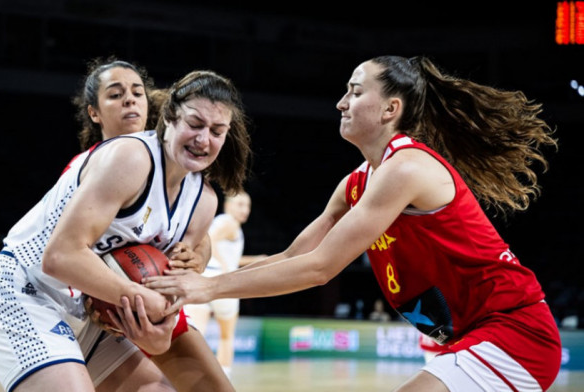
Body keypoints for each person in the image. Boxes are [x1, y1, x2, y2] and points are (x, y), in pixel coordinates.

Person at [146, 55, 562, 391]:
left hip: (514, 333)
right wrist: (195, 274)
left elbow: (320, 268)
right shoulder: (356, 184)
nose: (341, 102)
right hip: (459, 337)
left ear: (390, 109)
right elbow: (293, 256)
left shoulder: (407, 168)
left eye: (355, 91)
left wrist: (207, 287)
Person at [0, 68, 251, 392]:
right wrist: (138, 298)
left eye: (217, 130)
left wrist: (161, 320)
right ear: (170, 118)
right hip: (29, 291)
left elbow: (172, 276)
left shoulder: (202, 201)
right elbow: (60, 256)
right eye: (195, 124)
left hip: (95, 313)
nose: (204, 139)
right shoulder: (128, 157)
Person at [70, 57, 237, 391]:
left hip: (144, 296)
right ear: (94, 112)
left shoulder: (182, 174)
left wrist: (197, 254)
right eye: (115, 95)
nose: (130, 100)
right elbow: (62, 250)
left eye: (137, 92)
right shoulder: (91, 166)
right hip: (87, 300)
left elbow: (191, 231)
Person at [184, 191, 265, 378]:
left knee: (196, 336)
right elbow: (208, 240)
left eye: (248, 205)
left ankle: (189, 379)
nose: (245, 210)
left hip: (202, 280)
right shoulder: (228, 222)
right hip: (223, 284)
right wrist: (225, 268)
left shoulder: (224, 222)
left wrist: (254, 260)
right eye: (240, 204)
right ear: (227, 205)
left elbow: (227, 254)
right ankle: (224, 379)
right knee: (226, 337)